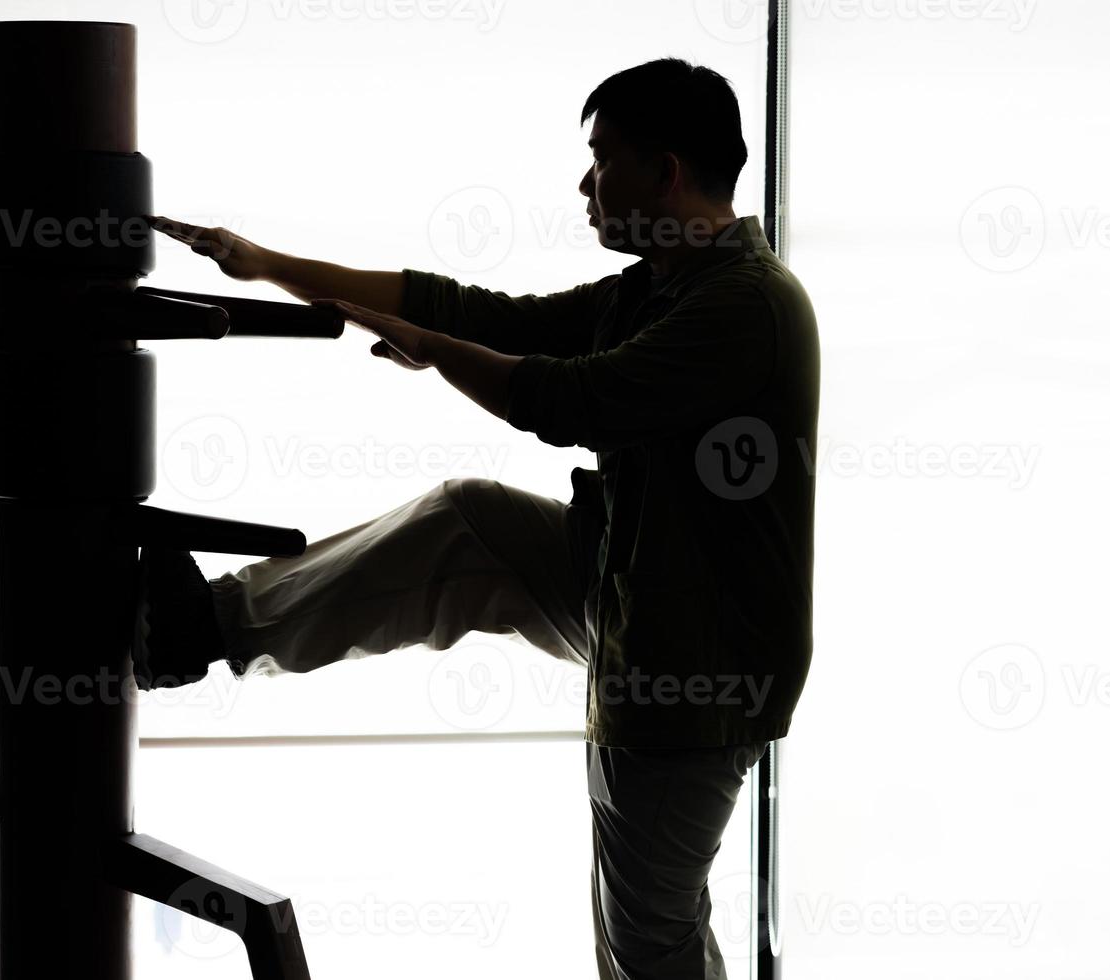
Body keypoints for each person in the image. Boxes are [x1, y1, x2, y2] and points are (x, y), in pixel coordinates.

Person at [135, 57, 819, 980]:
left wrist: (434, 349)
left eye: (601, 159)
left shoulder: (744, 305)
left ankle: (198, 631)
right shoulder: (660, 286)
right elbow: (486, 318)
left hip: (689, 671)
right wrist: (267, 265)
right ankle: (201, 628)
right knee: (469, 521)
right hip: (632, 589)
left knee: (648, 939)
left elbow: (569, 401)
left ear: (665, 173)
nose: (584, 184)